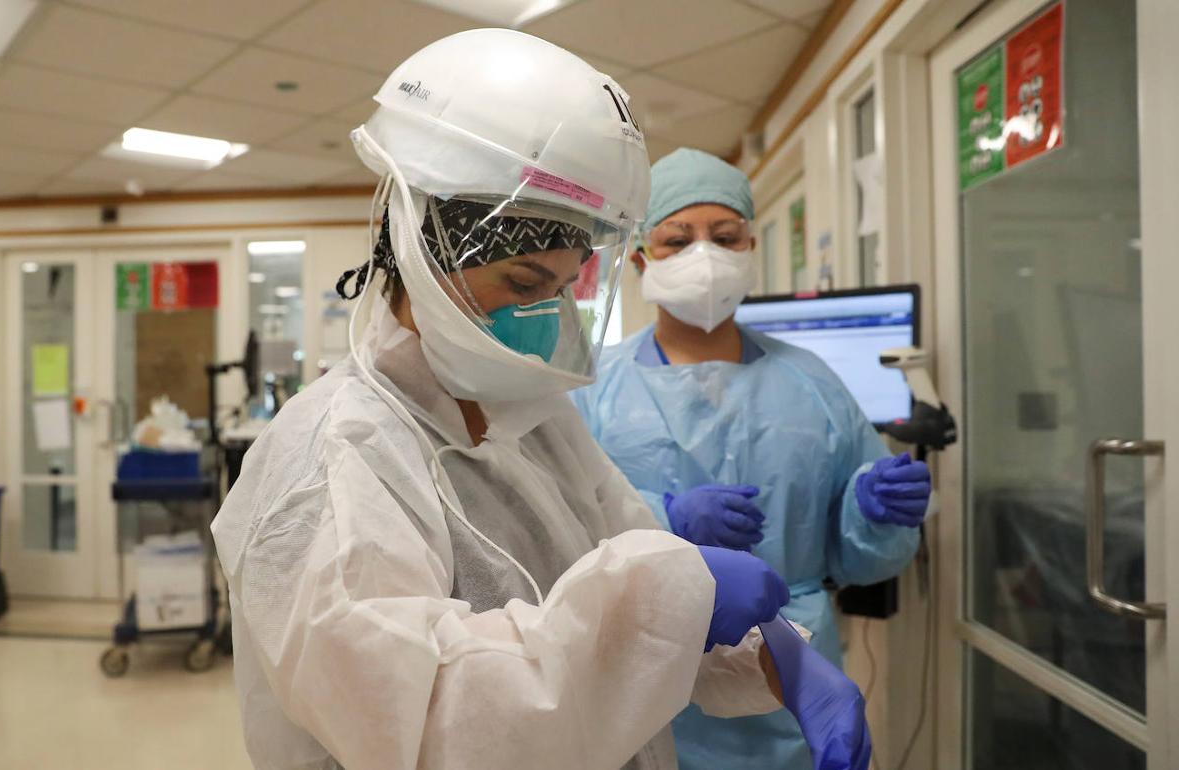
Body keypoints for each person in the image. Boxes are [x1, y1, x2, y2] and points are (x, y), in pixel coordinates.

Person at [213, 31, 867, 770]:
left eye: (559, 291)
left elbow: (625, 579)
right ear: (419, 250)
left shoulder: (531, 418)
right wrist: (669, 598)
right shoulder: (332, 453)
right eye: (524, 285)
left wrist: (768, 654)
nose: (542, 316)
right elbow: (422, 721)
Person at [571, 147, 929, 770]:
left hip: (793, 674)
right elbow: (558, 525)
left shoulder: (812, 383)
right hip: (641, 667)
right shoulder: (593, 390)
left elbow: (859, 557)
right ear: (638, 259)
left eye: (725, 236)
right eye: (677, 240)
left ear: (750, 249)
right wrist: (664, 519)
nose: (704, 256)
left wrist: (873, 510)